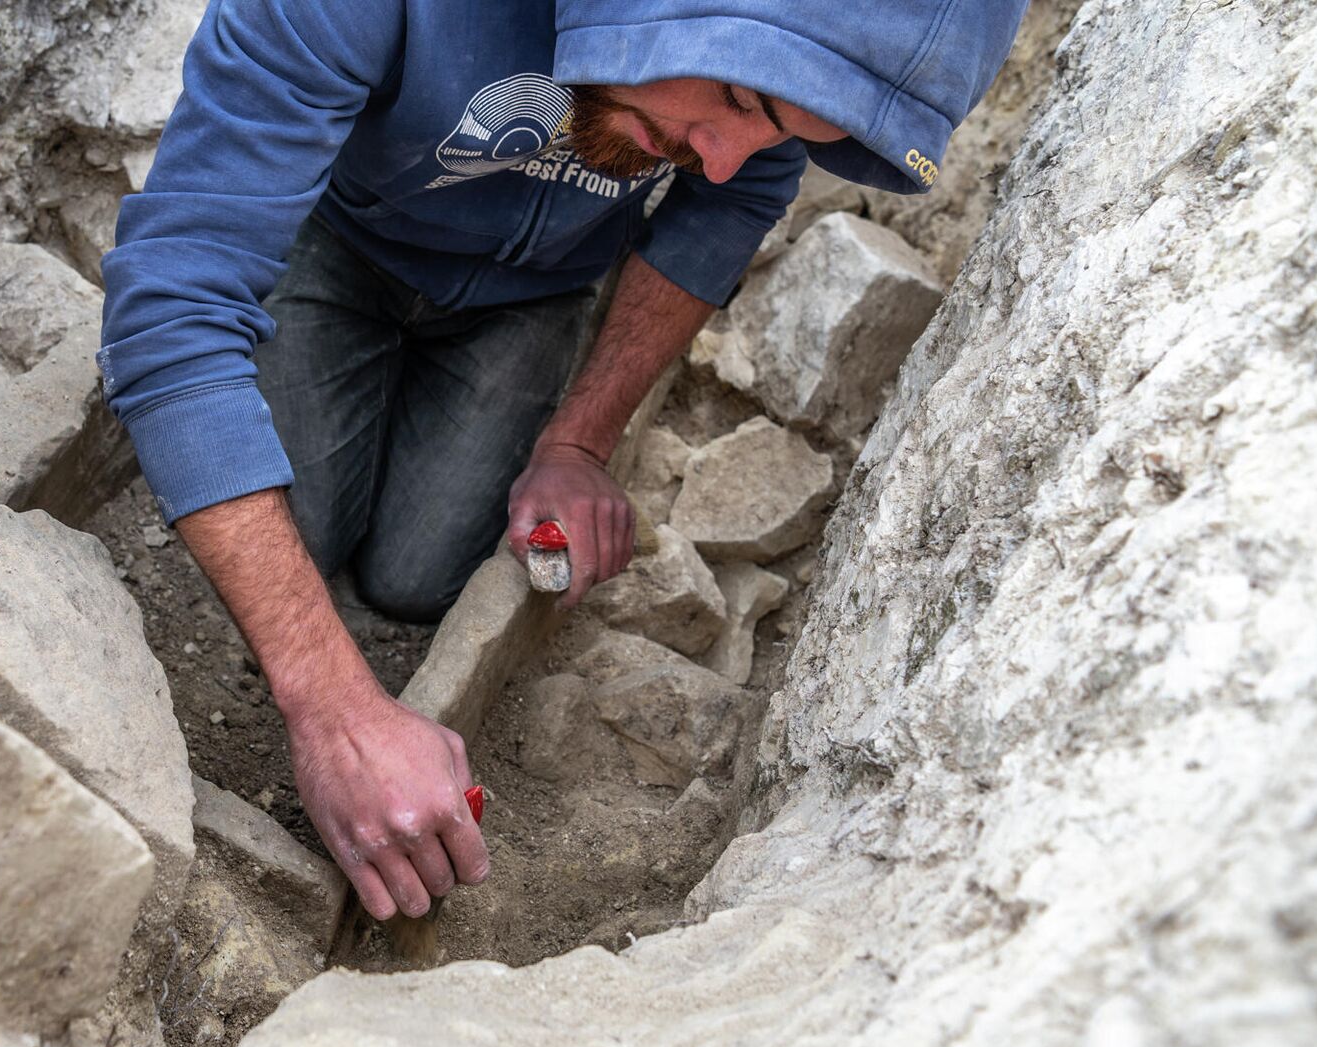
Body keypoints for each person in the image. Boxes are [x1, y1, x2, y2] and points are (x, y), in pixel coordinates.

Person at [98, 0, 1027, 925]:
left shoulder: (744, 105)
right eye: (739, 95)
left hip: (528, 297)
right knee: (301, 530)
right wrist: (335, 710)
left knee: (417, 576)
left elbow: (734, 202)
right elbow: (172, 305)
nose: (723, 153)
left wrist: (578, 441)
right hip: (341, 243)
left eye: (778, 129)